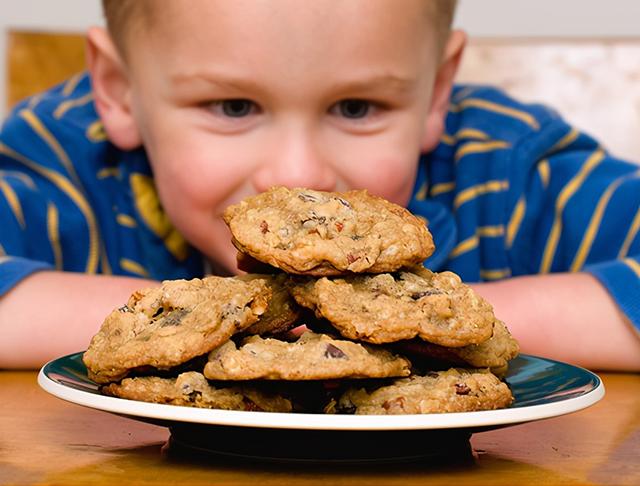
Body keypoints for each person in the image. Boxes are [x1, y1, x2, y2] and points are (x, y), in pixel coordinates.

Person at [0, 0, 638, 371]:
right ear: (120, 91)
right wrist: (190, 325)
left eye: (356, 108)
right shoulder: (63, 161)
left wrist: (434, 324)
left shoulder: (508, 169)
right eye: (232, 107)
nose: (298, 176)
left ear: (436, 91)